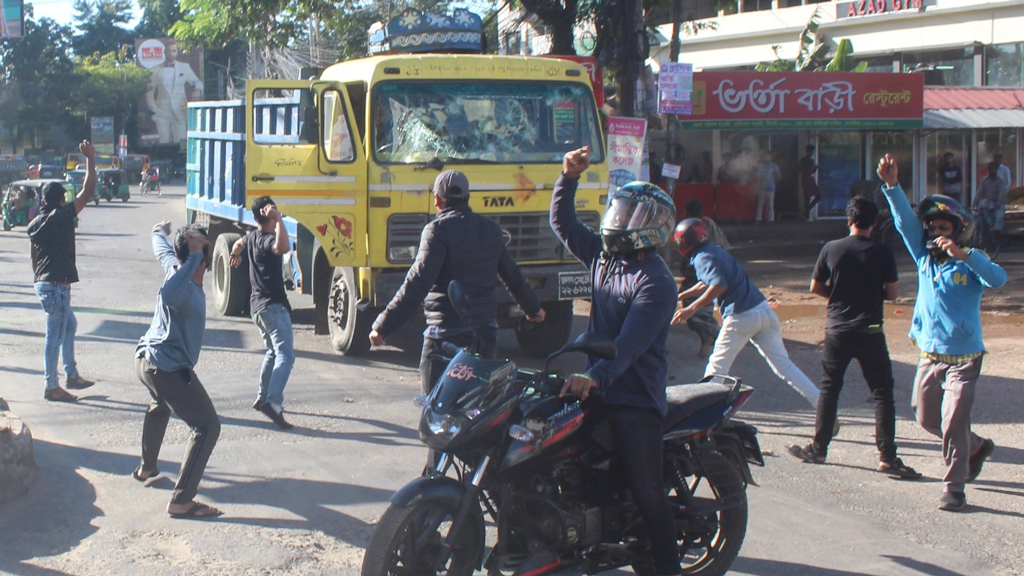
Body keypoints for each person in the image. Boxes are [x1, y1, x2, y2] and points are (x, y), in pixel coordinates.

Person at [552, 146, 682, 576]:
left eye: (633, 217)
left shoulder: (657, 282)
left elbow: (630, 345)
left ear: (653, 228)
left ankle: (666, 566)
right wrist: (568, 178)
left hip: (633, 397)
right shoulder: (605, 259)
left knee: (646, 490)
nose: (622, 221)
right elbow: (564, 224)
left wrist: (595, 377)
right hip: (595, 384)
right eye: (621, 212)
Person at [877, 153, 1006, 512]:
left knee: (952, 422)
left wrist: (963, 255)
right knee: (926, 418)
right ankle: (977, 447)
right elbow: (904, 223)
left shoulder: (971, 262)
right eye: (933, 229)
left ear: (958, 232)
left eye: (943, 230)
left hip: (965, 359)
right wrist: (892, 186)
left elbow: (998, 279)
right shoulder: (923, 258)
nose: (936, 236)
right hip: (930, 355)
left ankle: (954, 488)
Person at [369, 170, 546, 394]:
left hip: (445, 336)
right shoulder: (490, 229)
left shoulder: (437, 231)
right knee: (476, 407)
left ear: (437, 200)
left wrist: (383, 326)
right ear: (467, 197)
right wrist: (534, 309)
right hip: (485, 334)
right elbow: (513, 276)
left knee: (435, 406)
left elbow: (417, 282)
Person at [787, 197, 921, 479]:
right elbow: (893, 294)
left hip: (837, 330)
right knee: (882, 393)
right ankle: (887, 457)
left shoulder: (831, 249)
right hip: (870, 330)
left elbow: (815, 286)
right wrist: (872, 296)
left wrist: (838, 296)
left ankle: (818, 449)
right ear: (874, 223)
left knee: (830, 389)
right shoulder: (882, 251)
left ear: (849, 220)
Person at [673, 218, 821, 411]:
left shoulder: (701, 257)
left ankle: (702, 417)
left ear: (686, 242)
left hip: (741, 316)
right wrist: (683, 294)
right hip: (764, 312)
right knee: (785, 367)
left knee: (716, 370)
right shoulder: (714, 250)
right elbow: (708, 281)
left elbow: (718, 285)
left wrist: (691, 308)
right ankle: (822, 405)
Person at [134, 221, 222, 518]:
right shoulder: (182, 287)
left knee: (160, 403)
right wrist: (196, 255)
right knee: (208, 426)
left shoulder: (177, 266)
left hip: (146, 362)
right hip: (167, 368)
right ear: (203, 259)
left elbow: (161, 250)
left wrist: (158, 230)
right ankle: (182, 500)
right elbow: (169, 296)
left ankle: (147, 468)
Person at [26, 140, 98, 402]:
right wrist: (90, 158)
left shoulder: (35, 223)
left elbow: (34, 257)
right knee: (54, 334)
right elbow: (88, 190)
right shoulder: (63, 215)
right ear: (61, 199)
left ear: (42, 200)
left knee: (69, 325)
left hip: (44, 283)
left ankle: (71, 375)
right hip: (56, 286)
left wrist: (41, 281)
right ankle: (51, 386)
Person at [229, 196, 295, 430]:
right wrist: (279, 220)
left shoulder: (251, 236)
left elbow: (237, 244)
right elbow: (283, 247)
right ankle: (273, 403)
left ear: (255, 217)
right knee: (286, 356)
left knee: (271, 352)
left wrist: (236, 255)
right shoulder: (267, 239)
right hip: (273, 306)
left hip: (257, 308)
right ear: (269, 214)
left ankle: (261, 396)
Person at [677, 199, 729, 359]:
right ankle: (715, 337)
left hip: (698, 276)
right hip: (715, 271)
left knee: (692, 311)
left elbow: (687, 253)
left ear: (686, 212)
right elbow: (724, 245)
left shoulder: (688, 228)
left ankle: (708, 338)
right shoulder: (709, 223)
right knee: (705, 310)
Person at [146, 39, 204, 145]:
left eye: (174, 51)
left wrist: (198, 90)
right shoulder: (156, 69)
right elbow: (149, 91)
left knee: (181, 141)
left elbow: (198, 82)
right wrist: (154, 108)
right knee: (164, 141)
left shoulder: (184, 67)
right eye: (168, 51)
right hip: (162, 111)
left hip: (180, 110)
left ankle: (181, 161)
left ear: (177, 52)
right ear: (164, 52)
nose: (171, 53)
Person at [974, 161, 1008, 240]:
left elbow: (1001, 192)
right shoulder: (984, 180)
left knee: (999, 216)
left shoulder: (1001, 180)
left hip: (999, 203)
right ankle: (987, 235)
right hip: (988, 202)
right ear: (988, 170)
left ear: (997, 170)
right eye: (991, 169)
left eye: (994, 169)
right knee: (984, 209)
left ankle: (997, 235)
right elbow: (979, 192)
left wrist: (998, 203)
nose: (993, 171)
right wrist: (974, 203)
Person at [755, 151, 780, 224]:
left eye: (767, 157)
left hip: (771, 188)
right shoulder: (760, 166)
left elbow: (779, 176)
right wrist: (757, 186)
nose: (766, 158)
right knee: (760, 205)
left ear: (770, 158)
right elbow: (758, 178)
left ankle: (771, 219)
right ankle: (758, 219)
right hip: (761, 188)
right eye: (765, 157)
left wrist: (773, 181)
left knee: (770, 205)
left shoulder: (774, 166)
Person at [799, 145, 821, 221]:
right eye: (810, 151)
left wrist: (814, 169)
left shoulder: (812, 160)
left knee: (818, 196)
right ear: (807, 151)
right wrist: (811, 168)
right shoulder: (803, 160)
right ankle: (806, 215)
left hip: (811, 179)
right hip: (806, 180)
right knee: (807, 198)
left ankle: (806, 212)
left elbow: (812, 171)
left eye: (812, 151)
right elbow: (800, 170)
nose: (811, 153)